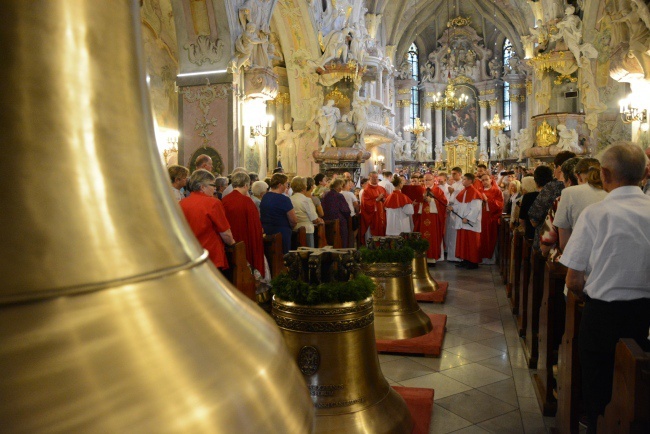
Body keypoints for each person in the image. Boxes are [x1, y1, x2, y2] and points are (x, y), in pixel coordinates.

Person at [560, 143, 650, 434]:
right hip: (646, 317)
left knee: (599, 391)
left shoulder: (596, 214)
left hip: (603, 318)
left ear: (605, 173)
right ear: (645, 173)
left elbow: (573, 279)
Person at [180, 169, 235, 270]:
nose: (215, 189)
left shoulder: (182, 203)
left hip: (189, 256)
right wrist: (232, 243)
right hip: (210, 256)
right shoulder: (213, 203)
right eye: (213, 185)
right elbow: (225, 233)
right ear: (202, 187)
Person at [528, 151, 576, 252]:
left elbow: (534, 219)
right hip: (573, 244)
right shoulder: (579, 187)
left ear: (559, 168)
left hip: (549, 246)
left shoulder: (551, 187)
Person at [221, 172, 266, 278]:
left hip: (229, 243)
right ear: (246, 185)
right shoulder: (247, 201)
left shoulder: (224, 200)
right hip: (245, 243)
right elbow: (255, 226)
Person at [450, 173, 483, 269]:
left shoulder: (475, 192)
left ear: (470, 181)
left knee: (471, 243)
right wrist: (453, 208)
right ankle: (465, 260)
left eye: (464, 179)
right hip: (462, 222)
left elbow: (475, 209)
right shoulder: (463, 191)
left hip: (470, 223)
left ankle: (473, 262)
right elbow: (459, 205)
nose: (462, 181)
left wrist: (468, 218)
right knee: (464, 242)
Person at [260, 173, 297, 254]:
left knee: (271, 256)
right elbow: (293, 220)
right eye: (286, 184)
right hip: (282, 233)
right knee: (283, 257)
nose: (287, 186)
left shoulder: (265, 197)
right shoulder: (284, 199)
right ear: (280, 185)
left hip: (267, 232)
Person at [416, 173, 448, 263]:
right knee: (423, 236)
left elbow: (443, 203)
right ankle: (423, 257)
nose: (427, 182)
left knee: (433, 236)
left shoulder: (438, 190)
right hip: (423, 218)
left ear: (434, 180)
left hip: (434, 219)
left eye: (429, 180)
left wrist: (432, 201)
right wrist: (420, 201)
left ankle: (432, 258)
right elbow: (417, 203)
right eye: (425, 180)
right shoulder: (422, 190)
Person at [478, 173, 504, 264]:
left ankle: (490, 259)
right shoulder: (479, 190)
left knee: (489, 238)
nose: (484, 182)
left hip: (491, 218)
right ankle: (480, 257)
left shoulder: (496, 191)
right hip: (480, 218)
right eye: (483, 180)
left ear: (491, 180)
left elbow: (500, 205)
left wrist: (487, 200)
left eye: (486, 179)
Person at [290, 176, 322, 248]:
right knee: (309, 253)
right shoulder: (306, 200)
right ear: (303, 187)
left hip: (294, 230)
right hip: (307, 231)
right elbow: (314, 219)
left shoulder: (289, 199)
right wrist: (319, 220)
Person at [321, 179, 351, 248]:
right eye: (341, 185)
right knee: (342, 240)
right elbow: (345, 210)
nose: (341, 187)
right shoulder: (339, 196)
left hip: (326, 221)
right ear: (338, 186)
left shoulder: (325, 194)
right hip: (339, 222)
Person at [360, 171, 387, 241]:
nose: (375, 179)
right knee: (373, 237)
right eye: (373, 177)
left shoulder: (381, 188)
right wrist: (377, 199)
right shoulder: (366, 190)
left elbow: (387, 200)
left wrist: (384, 199)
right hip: (373, 217)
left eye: (376, 177)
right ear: (369, 178)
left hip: (382, 216)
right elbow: (365, 204)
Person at [445, 167, 465, 262]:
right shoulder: (454, 184)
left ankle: (457, 256)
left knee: (456, 233)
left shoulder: (462, 184)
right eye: (452, 174)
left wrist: (453, 192)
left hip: (458, 210)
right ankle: (451, 255)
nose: (452, 176)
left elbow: (462, 197)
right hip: (451, 209)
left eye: (454, 174)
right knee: (451, 232)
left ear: (460, 174)